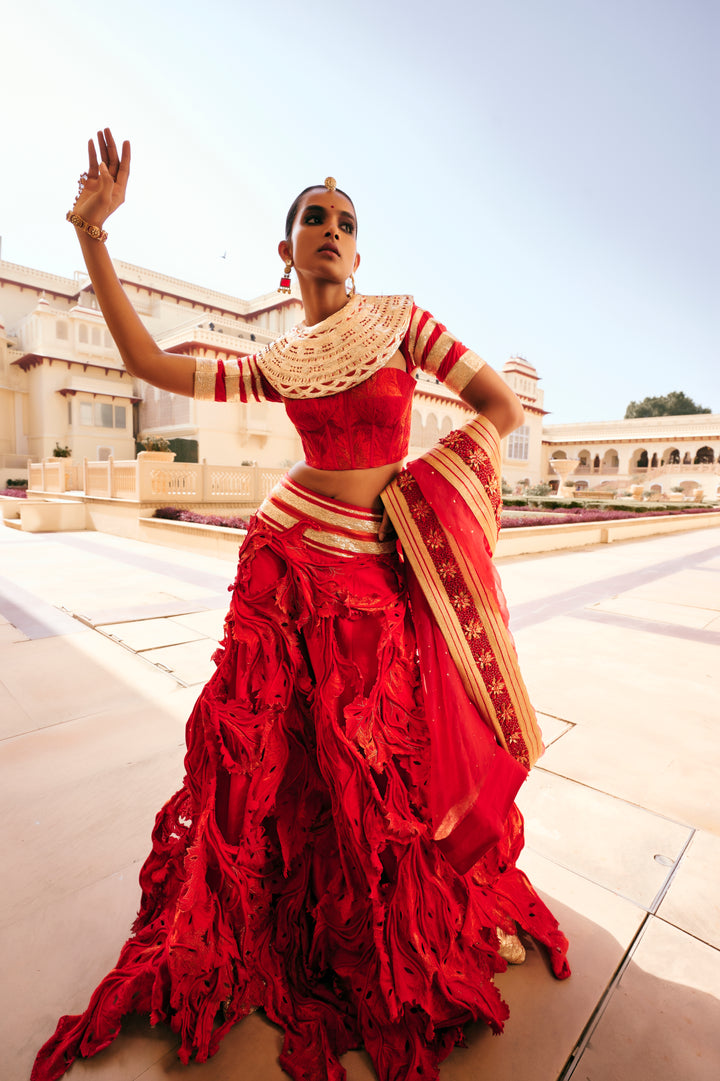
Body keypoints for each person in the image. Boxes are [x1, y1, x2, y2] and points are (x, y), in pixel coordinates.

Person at [32, 130, 570, 1081]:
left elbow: (500, 406)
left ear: (360, 253)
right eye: (312, 220)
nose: (329, 230)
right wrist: (93, 241)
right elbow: (155, 368)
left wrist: (424, 494)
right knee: (268, 768)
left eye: (345, 222)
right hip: (282, 570)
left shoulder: (404, 322)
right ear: (286, 253)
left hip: (372, 576)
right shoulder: (281, 360)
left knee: (375, 768)